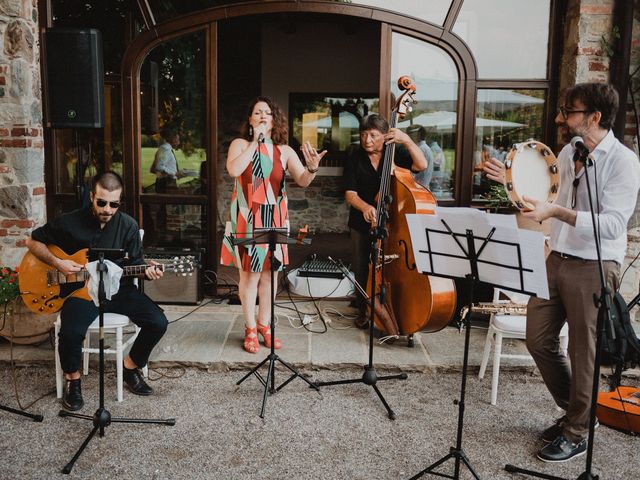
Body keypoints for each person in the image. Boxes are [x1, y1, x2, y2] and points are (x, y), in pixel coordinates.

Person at [483, 82, 640, 463]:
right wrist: (511, 182)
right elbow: (546, 195)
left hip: (595, 264)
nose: (561, 117)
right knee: (538, 339)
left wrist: (556, 214)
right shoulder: (570, 151)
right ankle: (580, 413)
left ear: (594, 117)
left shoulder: (623, 161)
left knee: (582, 350)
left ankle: (577, 431)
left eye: (569, 111)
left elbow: (614, 225)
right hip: (556, 257)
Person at [25, 171, 169, 411]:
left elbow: (135, 263)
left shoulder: (128, 225)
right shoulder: (69, 221)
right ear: (91, 196)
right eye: (101, 202)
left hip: (118, 291)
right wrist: (59, 263)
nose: (107, 209)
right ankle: (74, 381)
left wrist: (147, 271)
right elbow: (32, 242)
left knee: (158, 322)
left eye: (114, 204)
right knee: (70, 332)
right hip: (82, 292)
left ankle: (130, 367)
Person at [220, 96, 325, 354]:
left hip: (275, 218)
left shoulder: (284, 151)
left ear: (274, 119)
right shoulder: (240, 144)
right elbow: (234, 170)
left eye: (267, 112)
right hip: (247, 217)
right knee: (250, 276)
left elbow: (302, 180)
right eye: (258, 112)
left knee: (271, 274)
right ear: (251, 120)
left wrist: (312, 168)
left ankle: (264, 325)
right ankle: (249, 329)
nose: (263, 116)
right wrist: (256, 142)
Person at [343, 114, 429, 327]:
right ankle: (364, 311)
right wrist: (365, 207)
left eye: (373, 135)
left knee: (393, 267)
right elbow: (350, 193)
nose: (367, 140)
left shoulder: (397, 152)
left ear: (385, 136)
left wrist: (406, 140)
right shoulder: (355, 156)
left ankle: (393, 308)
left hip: (393, 223)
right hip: (361, 222)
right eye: (363, 135)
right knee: (362, 267)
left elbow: (422, 165)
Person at [151, 126, 182, 193]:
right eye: (178, 139)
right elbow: (159, 167)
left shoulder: (165, 149)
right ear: (173, 140)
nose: (179, 142)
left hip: (165, 182)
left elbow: (154, 169)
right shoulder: (165, 149)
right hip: (166, 183)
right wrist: (174, 173)